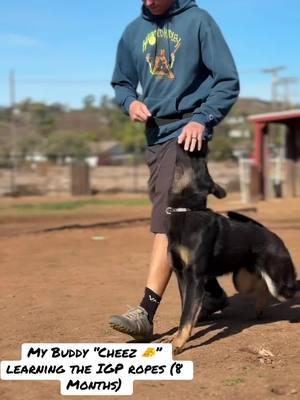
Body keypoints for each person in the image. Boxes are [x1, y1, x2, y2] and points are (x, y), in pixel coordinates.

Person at [109, 0, 240, 340]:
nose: (148, 1)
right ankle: (209, 293)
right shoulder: (132, 32)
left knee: (168, 217)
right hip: (155, 136)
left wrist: (202, 119)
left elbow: (227, 80)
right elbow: (121, 84)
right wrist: (129, 102)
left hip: (187, 134)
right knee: (183, 220)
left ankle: (145, 311)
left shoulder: (198, 22)